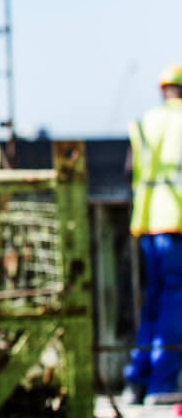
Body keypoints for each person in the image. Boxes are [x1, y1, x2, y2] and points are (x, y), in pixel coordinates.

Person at [122, 65, 182, 405]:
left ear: (163, 91)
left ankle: (136, 380)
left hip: (147, 222)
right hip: (177, 224)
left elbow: (131, 168)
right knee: (176, 302)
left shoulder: (145, 123)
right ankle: (163, 384)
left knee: (154, 302)